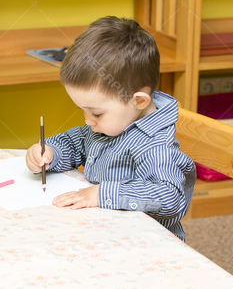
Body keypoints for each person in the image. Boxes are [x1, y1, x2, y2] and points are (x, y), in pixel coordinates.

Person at [25, 16, 195, 241]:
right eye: (83, 110)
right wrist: (50, 153)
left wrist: (102, 194)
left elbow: (168, 198)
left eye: (96, 113)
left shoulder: (156, 146)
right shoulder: (112, 124)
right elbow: (77, 143)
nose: (88, 121)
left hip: (146, 246)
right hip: (103, 232)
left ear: (139, 101)